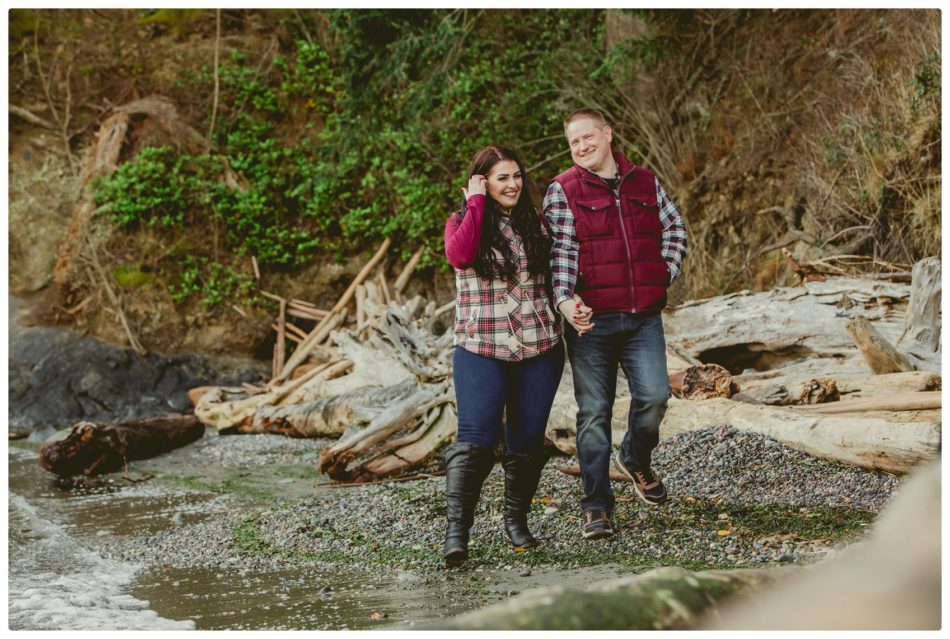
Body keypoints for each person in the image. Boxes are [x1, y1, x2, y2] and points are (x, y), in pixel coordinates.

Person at [543, 108, 688, 540]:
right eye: (574, 143)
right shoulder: (563, 190)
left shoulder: (645, 181)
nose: (582, 147)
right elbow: (561, 254)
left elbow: (674, 230)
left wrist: (662, 274)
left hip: (643, 318)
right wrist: (566, 302)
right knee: (594, 414)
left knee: (656, 396)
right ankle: (596, 506)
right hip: (592, 324)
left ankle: (635, 457)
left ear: (607, 134)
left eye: (588, 137)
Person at [441, 146, 565, 567]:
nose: (512, 185)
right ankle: (457, 533)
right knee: (474, 443)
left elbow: (564, 272)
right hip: (481, 348)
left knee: (527, 444)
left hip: (539, 346)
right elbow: (460, 256)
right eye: (500, 179)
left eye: (516, 176)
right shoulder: (461, 222)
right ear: (482, 183)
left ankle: (517, 521)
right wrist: (476, 203)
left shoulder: (538, 225)